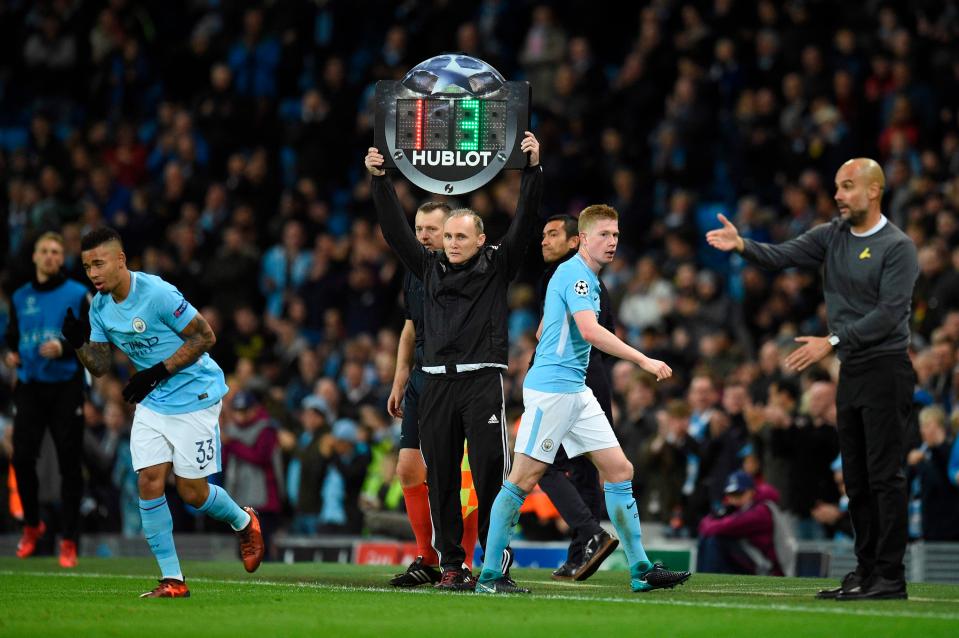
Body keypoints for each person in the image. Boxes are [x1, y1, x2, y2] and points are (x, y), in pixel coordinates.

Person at [707, 157, 919, 600]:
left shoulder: (897, 247)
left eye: (847, 187)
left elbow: (889, 314)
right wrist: (742, 244)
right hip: (854, 372)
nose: (838, 195)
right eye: (837, 187)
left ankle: (890, 576)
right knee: (857, 478)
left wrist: (833, 340)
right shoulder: (833, 234)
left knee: (885, 476)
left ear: (873, 191)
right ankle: (865, 570)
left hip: (886, 368)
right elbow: (783, 255)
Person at [476, 204, 691, 594]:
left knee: (620, 470)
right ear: (584, 239)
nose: (612, 243)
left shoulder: (583, 278)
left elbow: (545, 329)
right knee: (523, 479)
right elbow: (590, 332)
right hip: (553, 391)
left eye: (616, 235)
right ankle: (490, 575)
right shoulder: (576, 274)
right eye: (604, 235)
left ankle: (641, 569)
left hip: (576, 389)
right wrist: (643, 358)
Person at [366, 132, 542, 589]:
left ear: (481, 238)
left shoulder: (498, 265)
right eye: (447, 236)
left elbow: (524, 221)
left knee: (489, 478)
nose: (453, 243)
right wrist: (380, 180)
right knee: (441, 478)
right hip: (436, 385)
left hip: (481, 382)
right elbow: (395, 232)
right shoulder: (427, 267)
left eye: (462, 235)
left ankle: (495, 565)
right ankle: (451, 566)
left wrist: (532, 171)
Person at [64, 227, 265, 598]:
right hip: (154, 401)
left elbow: (205, 337)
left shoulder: (156, 293)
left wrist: (158, 371)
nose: (92, 273)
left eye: (99, 263)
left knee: (192, 492)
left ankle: (244, 520)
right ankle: (173, 579)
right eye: (87, 266)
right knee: (149, 480)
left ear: (120, 260)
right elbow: (100, 365)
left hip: (195, 394)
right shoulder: (100, 307)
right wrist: (78, 342)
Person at [386, 201, 480, 587]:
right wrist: (399, 378)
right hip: (422, 379)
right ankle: (427, 557)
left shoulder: (470, 273)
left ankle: (464, 561)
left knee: (462, 478)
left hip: (459, 382)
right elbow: (410, 328)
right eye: (418, 228)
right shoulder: (415, 269)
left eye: (432, 229)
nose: (423, 236)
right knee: (408, 468)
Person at [536, 214, 618, 581]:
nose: (544, 241)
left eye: (553, 234)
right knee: (585, 471)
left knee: (544, 463)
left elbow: (582, 334)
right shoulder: (582, 279)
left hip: (575, 379)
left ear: (575, 241)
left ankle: (590, 536)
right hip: (587, 377)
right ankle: (581, 552)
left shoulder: (572, 278)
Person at [5, 232, 89, 567]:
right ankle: (31, 524)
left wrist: (64, 347)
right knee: (22, 457)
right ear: (35, 257)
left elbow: (89, 336)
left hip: (66, 384)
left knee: (70, 462)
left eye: (57, 251)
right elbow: (13, 335)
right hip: (30, 384)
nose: (51, 256)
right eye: (45, 251)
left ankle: (68, 539)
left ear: (62, 258)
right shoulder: (20, 296)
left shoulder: (78, 294)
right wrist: (12, 354)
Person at [697, 470, 784, 575]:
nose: (734, 499)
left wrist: (711, 522)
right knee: (708, 538)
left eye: (739, 494)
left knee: (715, 539)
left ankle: (707, 580)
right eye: (731, 494)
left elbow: (716, 527)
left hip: (768, 568)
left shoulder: (762, 511)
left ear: (752, 491)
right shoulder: (739, 507)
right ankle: (702, 577)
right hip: (753, 559)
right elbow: (704, 524)